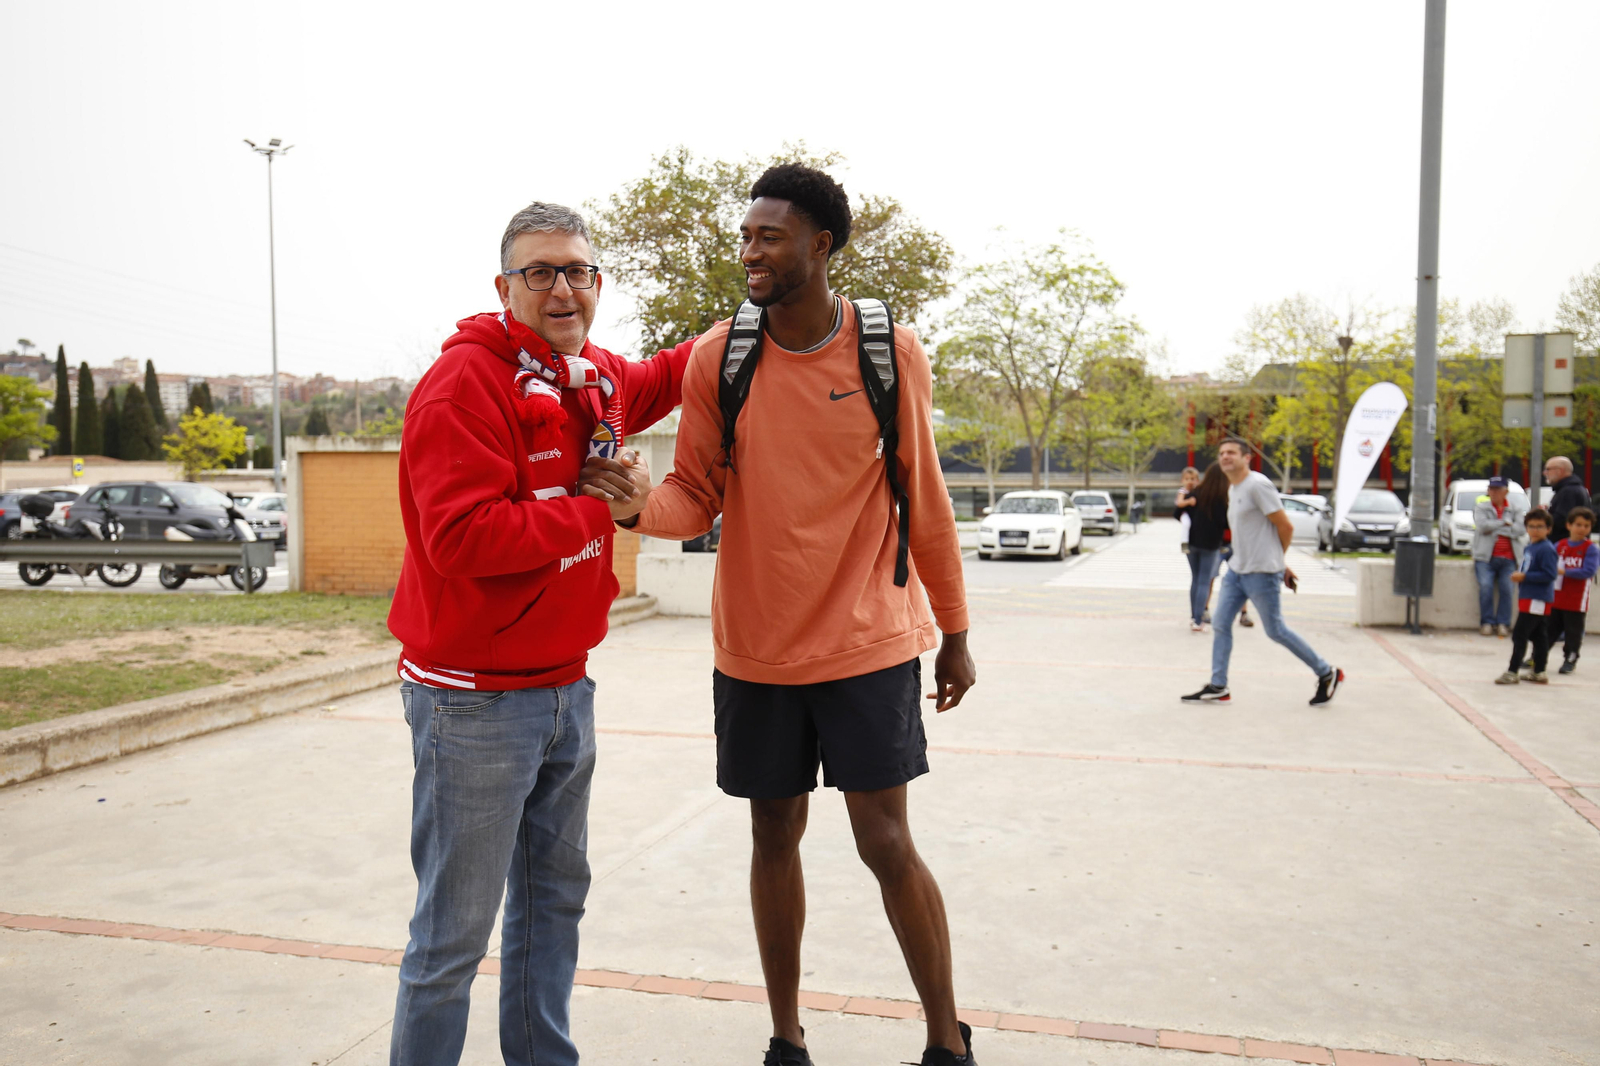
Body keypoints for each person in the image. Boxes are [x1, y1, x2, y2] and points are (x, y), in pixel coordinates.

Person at [580, 163, 977, 1066]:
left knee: (885, 841)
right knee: (773, 834)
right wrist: (635, 507)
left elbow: (926, 495)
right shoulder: (722, 354)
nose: (750, 251)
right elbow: (694, 496)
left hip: (870, 640)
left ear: (821, 244)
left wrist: (954, 633)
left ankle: (945, 1038)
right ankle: (786, 1037)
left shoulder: (888, 351)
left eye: (769, 236)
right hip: (755, 650)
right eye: (746, 235)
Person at [385, 201, 695, 1066]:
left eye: (578, 272)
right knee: (453, 938)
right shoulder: (464, 386)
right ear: (505, 286)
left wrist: (748, 319)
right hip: (474, 706)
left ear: (597, 284)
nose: (562, 288)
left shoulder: (586, 374)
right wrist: (590, 507)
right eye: (540, 272)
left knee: (553, 908)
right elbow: (461, 539)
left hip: (565, 689)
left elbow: (666, 375)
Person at [1181, 437, 1342, 706]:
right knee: (1220, 623)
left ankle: (1326, 672)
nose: (1225, 457)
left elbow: (1285, 527)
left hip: (1261, 573)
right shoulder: (1233, 488)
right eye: (1222, 453)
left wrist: (1277, 563)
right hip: (1237, 570)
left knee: (1275, 630)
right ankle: (1219, 685)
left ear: (1247, 458)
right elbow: (1257, 534)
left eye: (1232, 452)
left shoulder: (1258, 485)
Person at [1497, 508, 1559, 685]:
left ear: (1548, 529)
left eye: (1540, 527)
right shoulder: (1530, 547)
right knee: (1539, 635)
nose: (1535, 530)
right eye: (1531, 526)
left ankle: (1512, 670)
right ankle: (1539, 671)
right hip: (1529, 596)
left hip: (1537, 598)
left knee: (1520, 634)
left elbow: (1550, 574)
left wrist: (1525, 577)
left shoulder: (1546, 549)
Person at [1472, 476, 1526, 638]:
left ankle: (1503, 624)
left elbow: (1519, 530)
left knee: (1507, 590)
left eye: (1497, 489)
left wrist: (1495, 525)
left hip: (1509, 559)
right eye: (1491, 489)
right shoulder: (1482, 508)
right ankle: (1487, 623)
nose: (1493, 492)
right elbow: (1482, 526)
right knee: (1486, 588)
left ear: (1506, 492)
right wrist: (1504, 523)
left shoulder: (1515, 509)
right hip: (1485, 558)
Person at [1547, 505, 1597, 674]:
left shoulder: (1590, 548)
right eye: (1578, 524)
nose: (1582, 529)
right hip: (1557, 596)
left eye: (1586, 526)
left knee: (1573, 632)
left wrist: (1565, 571)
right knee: (1549, 629)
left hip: (1576, 599)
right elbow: (1549, 565)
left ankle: (1571, 657)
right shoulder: (1559, 545)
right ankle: (1537, 655)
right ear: (1569, 525)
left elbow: (1588, 571)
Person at [1183, 463, 1229, 632]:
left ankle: (1193, 617)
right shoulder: (1222, 498)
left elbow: (1177, 513)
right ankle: (1198, 619)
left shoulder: (1195, 493)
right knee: (1204, 581)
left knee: (1195, 580)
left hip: (1192, 543)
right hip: (1211, 545)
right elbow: (1227, 524)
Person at [1543, 456, 1590, 543]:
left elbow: (1560, 520)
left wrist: (1544, 518)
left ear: (1560, 470)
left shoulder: (1568, 491)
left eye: (1548, 469)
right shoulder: (1574, 488)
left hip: (1564, 548)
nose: (1545, 473)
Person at [1174, 466, 1200, 550]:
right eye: (1187, 479)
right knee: (1186, 523)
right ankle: (1184, 542)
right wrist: (1188, 501)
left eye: (1192, 479)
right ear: (1182, 480)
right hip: (1184, 513)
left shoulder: (1197, 491)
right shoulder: (1183, 491)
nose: (1190, 481)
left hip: (1195, 513)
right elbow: (1179, 503)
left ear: (1197, 480)